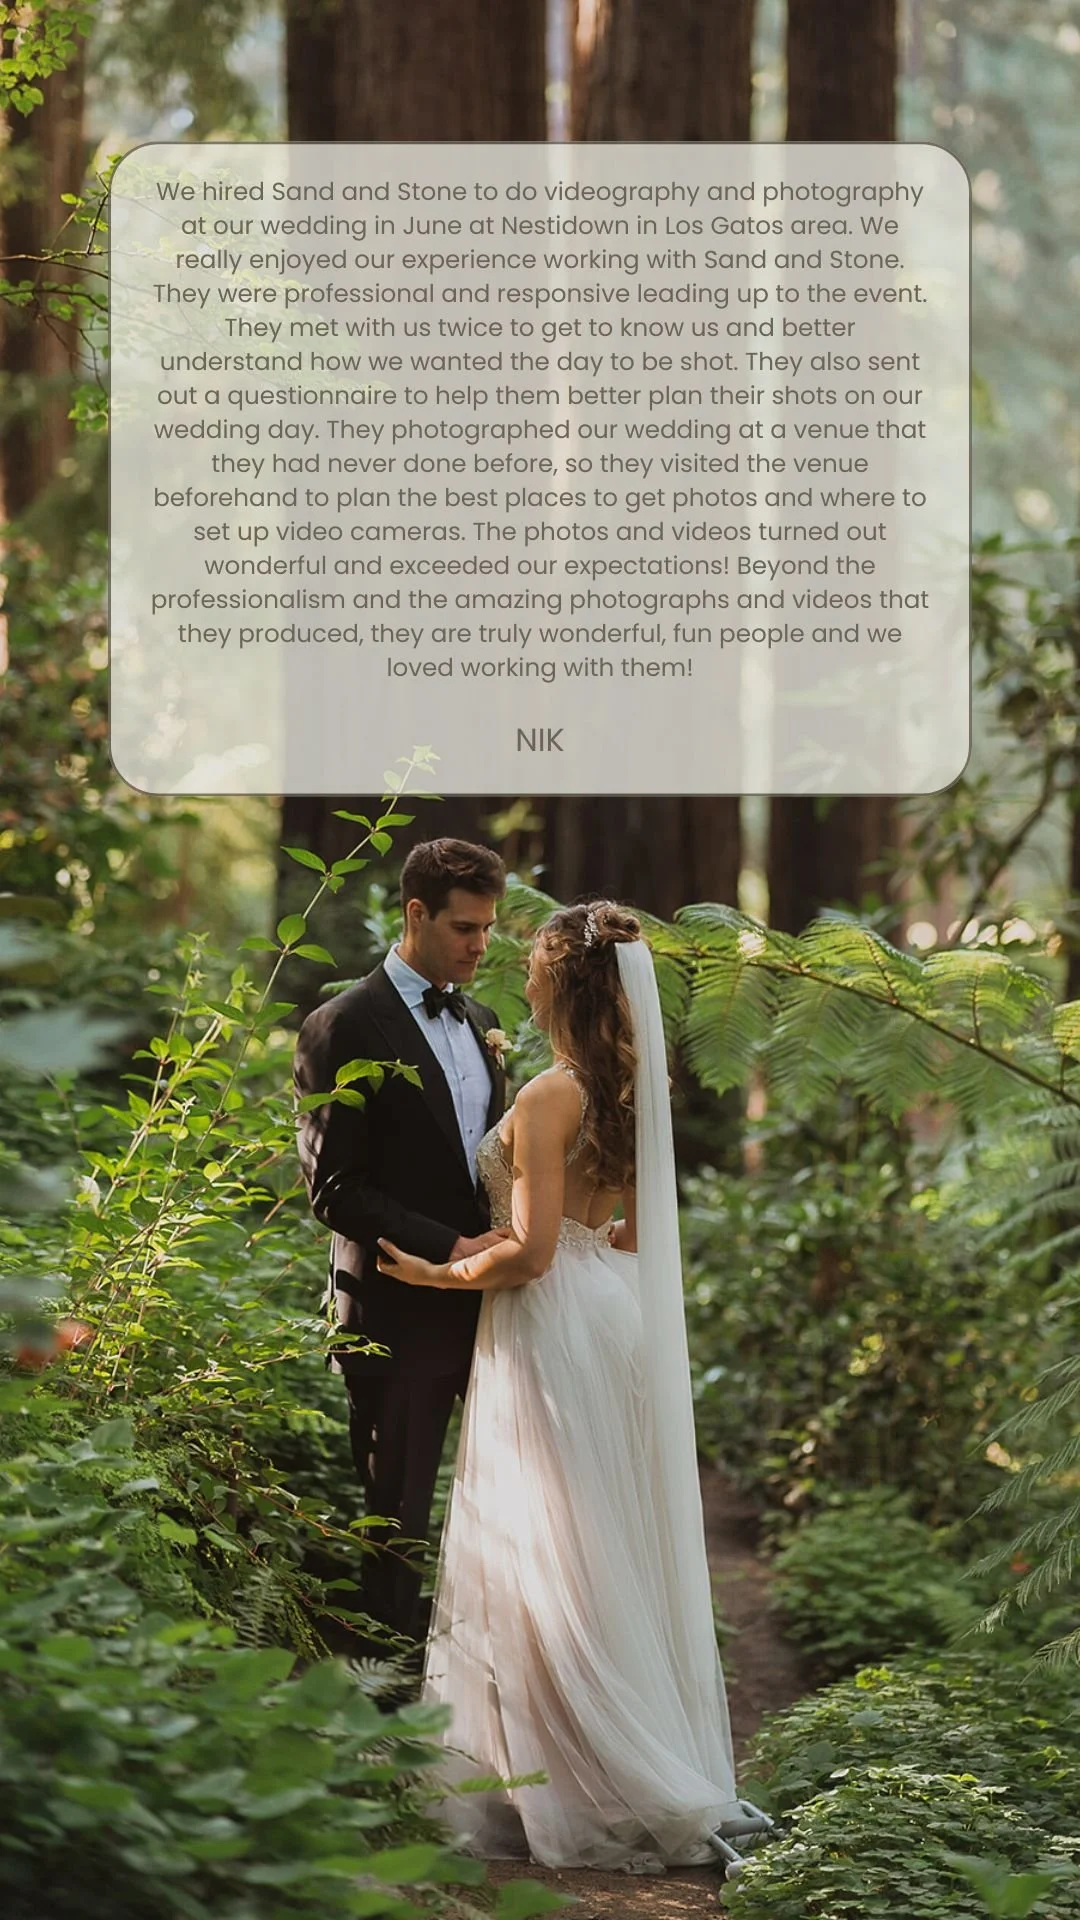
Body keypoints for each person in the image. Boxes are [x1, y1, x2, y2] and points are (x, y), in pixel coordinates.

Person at [375, 901, 740, 1873]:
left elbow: (532, 1255)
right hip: (612, 1311)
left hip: (547, 1321)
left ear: (563, 985)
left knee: (548, 1549)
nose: (525, 980)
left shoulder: (549, 1094)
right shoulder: (633, 1087)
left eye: (537, 968)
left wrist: (437, 1273)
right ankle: (593, 1762)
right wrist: (575, 1242)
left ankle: (583, 1777)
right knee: (596, 1539)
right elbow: (628, 1234)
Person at [293, 837, 509, 1645]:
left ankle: (482, 1665)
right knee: (397, 1517)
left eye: (488, 928)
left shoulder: (484, 1021)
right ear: (416, 914)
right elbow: (334, 1189)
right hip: (393, 1310)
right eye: (464, 928)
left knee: (507, 1497)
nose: (481, 946)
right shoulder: (342, 1024)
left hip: (494, 1304)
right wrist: (453, 1246)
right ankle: (381, 1688)